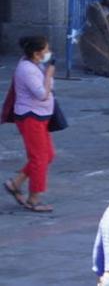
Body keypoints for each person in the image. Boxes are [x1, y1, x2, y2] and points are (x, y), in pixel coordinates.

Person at [5, 36, 57, 212]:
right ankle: (34, 198)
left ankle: (15, 183)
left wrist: (47, 75)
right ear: (36, 53)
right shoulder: (27, 69)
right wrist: (49, 75)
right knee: (39, 158)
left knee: (48, 155)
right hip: (30, 118)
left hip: (41, 116)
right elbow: (41, 93)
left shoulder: (36, 65)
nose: (48, 53)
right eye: (46, 50)